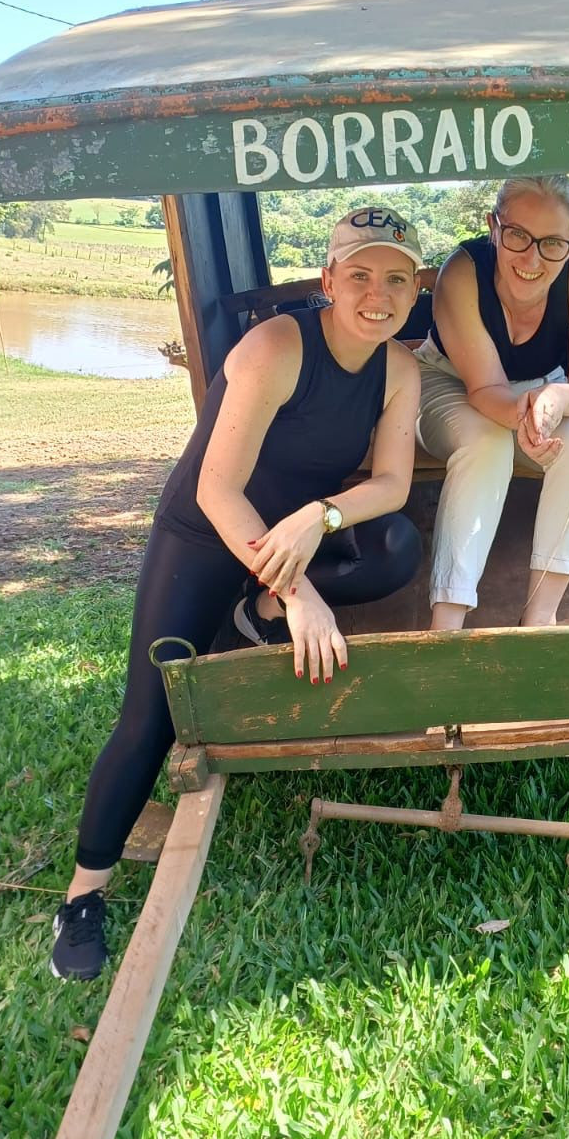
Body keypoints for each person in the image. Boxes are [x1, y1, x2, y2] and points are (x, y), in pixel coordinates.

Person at [50, 205, 425, 980]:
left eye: (396, 279)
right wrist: (302, 595)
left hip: (289, 534)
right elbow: (218, 490)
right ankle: (84, 896)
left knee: (397, 548)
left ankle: (252, 614)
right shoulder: (276, 346)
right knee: (154, 713)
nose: (378, 295)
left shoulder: (399, 369)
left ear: (415, 290)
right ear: (328, 280)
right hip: (203, 533)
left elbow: (391, 485)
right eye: (360, 275)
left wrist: (319, 518)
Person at [417, 175, 569, 630]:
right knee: (488, 442)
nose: (532, 258)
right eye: (518, 235)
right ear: (494, 226)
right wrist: (528, 418)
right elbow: (485, 390)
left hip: (542, 388)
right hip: (450, 381)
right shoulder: (462, 273)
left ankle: (540, 616)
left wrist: (558, 398)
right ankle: (446, 626)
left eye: (552, 243)